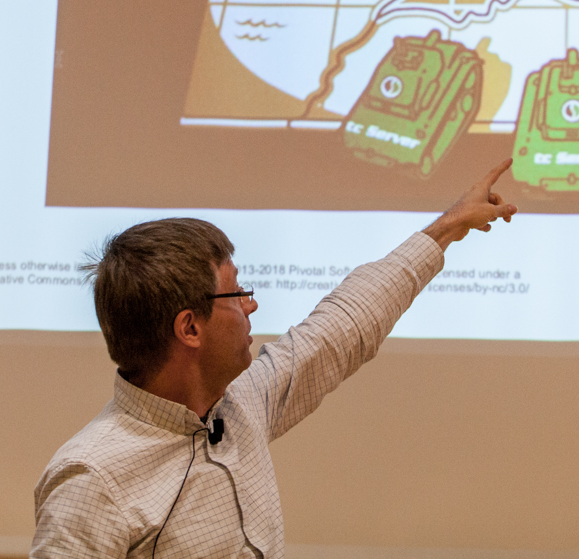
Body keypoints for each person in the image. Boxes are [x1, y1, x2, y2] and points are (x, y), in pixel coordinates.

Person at [31, 160, 519, 559]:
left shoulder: (238, 402)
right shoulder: (92, 480)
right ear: (190, 328)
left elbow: (341, 326)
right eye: (236, 293)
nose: (251, 305)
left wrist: (447, 227)